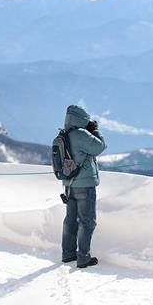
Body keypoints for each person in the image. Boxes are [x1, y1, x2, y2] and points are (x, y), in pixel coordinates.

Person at [61, 105, 107, 268]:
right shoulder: (81, 134)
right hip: (85, 185)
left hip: (69, 184)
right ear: (82, 119)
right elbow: (100, 147)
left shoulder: (64, 134)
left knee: (70, 220)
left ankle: (68, 254)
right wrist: (94, 131)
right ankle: (83, 257)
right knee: (87, 222)